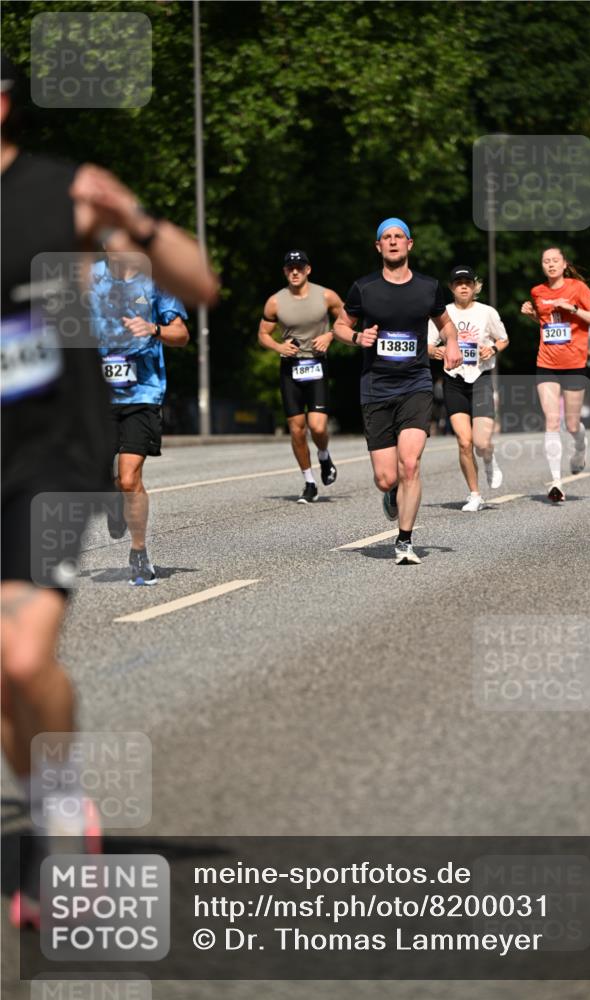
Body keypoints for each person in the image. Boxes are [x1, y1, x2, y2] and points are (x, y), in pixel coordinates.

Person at [0, 53, 218, 926]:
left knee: (19, 656)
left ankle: (58, 810)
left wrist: (135, 215)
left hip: (50, 455)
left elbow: (197, 287)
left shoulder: (67, 191)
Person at [334, 218, 460, 564]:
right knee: (386, 476)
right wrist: (358, 338)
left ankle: (404, 541)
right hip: (375, 386)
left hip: (416, 384)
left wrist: (452, 345)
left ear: (409, 244)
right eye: (386, 238)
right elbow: (340, 327)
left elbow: (445, 324)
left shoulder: (428, 287)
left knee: (410, 464)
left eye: (398, 237)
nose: (392, 242)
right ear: (378, 247)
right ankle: (391, 493)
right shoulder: (364, 288)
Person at [90, 252, 189, 585]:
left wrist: (154, 328)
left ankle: (139, 554)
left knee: (129, 479)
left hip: (142, 393)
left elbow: (182, 334)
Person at [258, 251, 343, 503]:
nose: (294, 272)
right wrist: (278, 347)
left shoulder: (326, 296)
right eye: (290, 268)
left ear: (308, 270)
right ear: (285, 272)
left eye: (299, 267)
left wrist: (329, 336)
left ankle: (324, 455)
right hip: (290, 368)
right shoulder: (275, 302)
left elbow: (346, 321)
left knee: (317, 426)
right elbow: (262, 334)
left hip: (316, 365)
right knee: (296, 430)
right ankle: (309, 482)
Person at [521, 248, 590, 502]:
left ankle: (580, 447)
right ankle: (556, 482)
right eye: (546, 261)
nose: (551, 264)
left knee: (571, 423)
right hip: (546, 362)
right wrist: (533, 315)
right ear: (542, 266)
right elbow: (549, 324)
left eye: (555, 260)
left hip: (574, 363)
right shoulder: (537, 291)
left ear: (564, 263)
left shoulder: (577, 287)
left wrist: (573, 308)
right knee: (552, 420)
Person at [428, 265, 508, 510]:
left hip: (481, 378)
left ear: (475, 286)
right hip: (454, 380)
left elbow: (503, 339)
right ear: (451, 287)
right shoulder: (442, 313)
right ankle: (475, 494)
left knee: (482, 442)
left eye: (468, 282)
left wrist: (492, 349)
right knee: (464, 442)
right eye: (458, 282)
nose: (463, 286)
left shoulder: (487, 312)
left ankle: (488, 458)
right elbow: (428, 345)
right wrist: (436, 351)